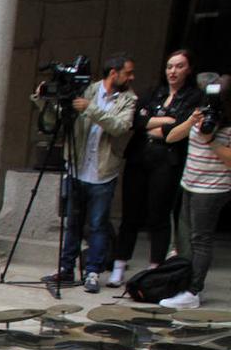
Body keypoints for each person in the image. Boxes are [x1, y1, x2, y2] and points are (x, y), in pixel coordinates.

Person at [41, 53, 137, 293]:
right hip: (77, 167)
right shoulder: (86, 90)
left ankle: (93, 272)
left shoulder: (128, 98)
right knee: (73, 223)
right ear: (113, 73)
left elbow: (119, 127)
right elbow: (58, 120)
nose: (131, 77)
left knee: (97, 225)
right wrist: (45, 100)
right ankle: (66, 268)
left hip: (103, 173)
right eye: (128, 73)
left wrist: (91, 110)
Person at [107, 49, 200, 287]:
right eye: (170, 66)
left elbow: (179, 130)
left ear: (188, 69)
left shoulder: (193, 97)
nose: (173, 71)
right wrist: (165, 121)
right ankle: (119, 265)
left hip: (166, 161)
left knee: (158, 214)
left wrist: (159, 125)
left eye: (179, 66)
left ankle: (155, 270)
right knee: (130, 214)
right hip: (139, 157)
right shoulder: (153, 92)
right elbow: (136, 122)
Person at [160, 75, 231, 310]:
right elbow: (171, 136)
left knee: (201, 239)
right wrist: (191, 121)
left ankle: (193, 291)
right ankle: (184, 281)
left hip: (212, 188)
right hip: (189, 183)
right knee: (186, 239)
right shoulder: (201, 114)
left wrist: (210, 140)